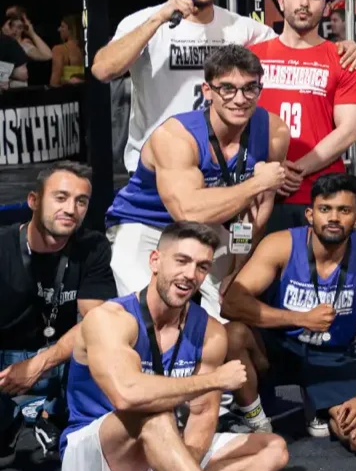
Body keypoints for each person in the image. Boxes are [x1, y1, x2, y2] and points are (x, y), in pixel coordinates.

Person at [59, 221, 288, 471]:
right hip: (96, 459)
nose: (190, 274)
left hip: (162, 450)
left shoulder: (210, 332)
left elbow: (203, 414)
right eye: (181, 261)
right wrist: (214, 380)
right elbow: (126, 395)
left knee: (273, 450)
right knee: (153, 411)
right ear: (155, 261)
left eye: (202, 267)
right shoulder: (111, 319)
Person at [89, 0, 356, 173]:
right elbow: (103, 70)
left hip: (218, 167)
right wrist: (158, 19)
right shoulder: (144, 21)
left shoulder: (243, 28)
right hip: (155, 165)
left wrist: (343, 47)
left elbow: (296, 45)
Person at [105, 45, 290, 331]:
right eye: (227, 88)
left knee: (230, 314)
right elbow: (187, 211)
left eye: (249, 88)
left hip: (212, 225)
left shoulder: (274, 132)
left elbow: (254, 215)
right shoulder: (176, 136)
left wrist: (238, 268)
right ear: (208, 91)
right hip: (145, 224)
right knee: (150, 316)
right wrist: (256, 183)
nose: (239, 99)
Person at [220, 175, 356, 452]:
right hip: (278, 349)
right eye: (325, 209)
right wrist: (299, 318)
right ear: (310, 214)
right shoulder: (280, 244)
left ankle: (319, 402)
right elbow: (232, 303)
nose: (333, 218)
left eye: (344, 210)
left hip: (330, 357)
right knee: (231, 334)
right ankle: (256, 418)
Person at [0, 163, 115, 463]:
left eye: (81, 201)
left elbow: (95, 321)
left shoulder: (93, 246)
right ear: (34, 201)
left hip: (61, 358)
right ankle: (8, 421)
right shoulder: (3, 247)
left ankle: (54, 415)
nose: (71, 209)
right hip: (5, 361)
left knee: (106, 337)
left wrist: (39, 364)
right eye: (60, 197)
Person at [251, 0, 356, 235]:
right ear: (281, 2)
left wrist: (294, 171)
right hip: (260, 188)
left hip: (321, 194)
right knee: (254, 262)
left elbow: (348, 131)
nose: (304, 3)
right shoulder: (253, 57)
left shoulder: (344, 59)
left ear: (326, 8)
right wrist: (271, 172)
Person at [0, 7, 46, 87]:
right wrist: (11, 73)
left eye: (20, 27)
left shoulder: (22, 44)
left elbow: (47, 55)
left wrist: (32, 34)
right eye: (12, 25)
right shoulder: (7, 42)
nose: (15, 30)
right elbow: (22, 74)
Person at [50, 12, 87, 86]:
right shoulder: (87, 50)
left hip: (67, 92)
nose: (59, 29)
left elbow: (54, 82)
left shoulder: (59, 50)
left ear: (71, 29)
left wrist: (66, 82)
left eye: (62, 26)